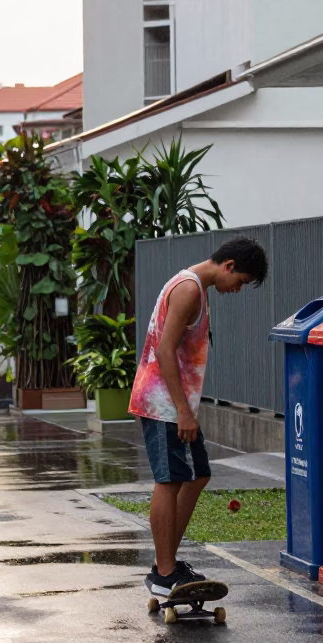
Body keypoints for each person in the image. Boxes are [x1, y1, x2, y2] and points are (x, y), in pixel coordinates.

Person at [129, 236, 269, 597]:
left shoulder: (196, 288)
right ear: (229, 266)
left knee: (197, 474)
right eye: (239, 282)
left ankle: (168, 564)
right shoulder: (189, 289)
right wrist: (182, 411)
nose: (236, 290)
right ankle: (164, 573)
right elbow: (164, 349)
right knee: (170, 480)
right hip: (163, 404)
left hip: (173, 404)